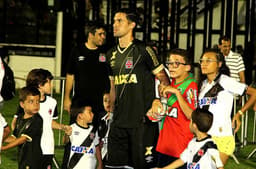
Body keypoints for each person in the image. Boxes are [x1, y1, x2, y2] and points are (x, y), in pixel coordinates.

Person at [105, 8, 170, 169]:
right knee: (115, 166)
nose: (115, 24)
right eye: (114, 21)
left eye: (119, 21)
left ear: (132, 24)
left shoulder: (144, 50)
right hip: (118, 123)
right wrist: (110, 109)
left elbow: (164, 79)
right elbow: (113, 86)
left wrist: (159, 101)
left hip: (142, 123)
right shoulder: (110, 54)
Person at [63, 21, 112, 169]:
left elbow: (110, 78)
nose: (103, 37)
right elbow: (70, 75)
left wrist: (109, 97)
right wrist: (66, 97)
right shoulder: (76, 51)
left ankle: (96, 164)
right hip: (80, 103)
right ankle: (68, 165)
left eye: (104, 34)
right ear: (91, 35)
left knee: (96, 138)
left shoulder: (105, 53)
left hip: (98, 105)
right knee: (72, 136)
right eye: (100, 34)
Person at [198, 49, 256, 165]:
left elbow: (254, 93)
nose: (203, 64)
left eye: (208, 61)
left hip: (222, 137)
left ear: (219, 64)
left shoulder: (226, 81)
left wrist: (239, 113)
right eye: (202, 61)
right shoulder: (203, 84)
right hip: (204, 136)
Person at [11, 68, 71, 168]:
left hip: (47, 147)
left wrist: (63, 127)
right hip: (30, 149)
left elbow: (49, 122)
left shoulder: (53, 102)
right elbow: (15, 123)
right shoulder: (28, 102)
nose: (51, 85)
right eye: (49, 82)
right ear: (40, 85)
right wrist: (21, 138)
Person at [148, 49, 198, 168]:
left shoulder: (191, 85)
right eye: (169, 63)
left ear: (187, 67)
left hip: (180, 148)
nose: (171, 67)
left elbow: (191, 115)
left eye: (176, 63)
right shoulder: (171, 84)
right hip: (164, 145)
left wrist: (177, 93)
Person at [158, 108, 224, 169]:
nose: (189, 123)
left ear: (194, 126)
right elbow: (182, 160)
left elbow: (219, 165)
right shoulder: (192, 142)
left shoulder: (210, 145)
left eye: (191, 121)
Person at [2, 86, 43, 169]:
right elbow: (14, 137)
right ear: (22, 104)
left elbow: (22, 139)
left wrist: (3, 148)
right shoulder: (20, 118)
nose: (36, 105)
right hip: (23, 158)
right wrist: (2, 139)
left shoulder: (37, 120)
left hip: (34, 160)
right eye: (31, 102)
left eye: (38, 102)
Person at [63, 99, 102, 169]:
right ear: (80, 116)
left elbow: (97, 147)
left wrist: (100, 163)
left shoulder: (93, 130)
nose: (92, 114)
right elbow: (65, 141)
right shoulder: (72, 128)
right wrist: (67, 134)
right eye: (89, 112)